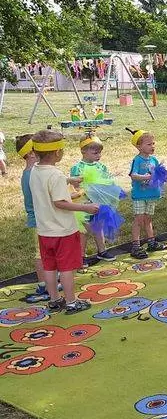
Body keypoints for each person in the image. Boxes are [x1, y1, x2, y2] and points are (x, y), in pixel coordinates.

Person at [29, 130, 97, 314]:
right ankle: (71, 302)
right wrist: (85, 208)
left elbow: (47, 183)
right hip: (63, 231)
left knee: (50, 267)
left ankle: (54, 300)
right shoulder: (56, 175)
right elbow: (60, 202)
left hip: (45, 231)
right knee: (66, 268)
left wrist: (68, 179)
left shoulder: (34, 170)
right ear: (58, 152)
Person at [70, 134, 115, 265]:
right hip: (83, 204)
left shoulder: (101, 166)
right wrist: (85, 188)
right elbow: (75, 185)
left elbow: (107, 180)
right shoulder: (78, 167)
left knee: (98, 227)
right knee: (83, 231)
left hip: (98, 203)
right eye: (95, 153)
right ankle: (81, 256)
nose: (98, 155)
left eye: (100, 152)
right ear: (83, 151)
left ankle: (102, 251)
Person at [17, 134, 50, 303]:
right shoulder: (30, 174)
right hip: (38, 219)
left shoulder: (33, 172)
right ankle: (43, 285)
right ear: (30, 153)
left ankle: (49, 280)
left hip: (42, 217)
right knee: (40, 253)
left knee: (46, 251)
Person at [128, 128, 167, 259]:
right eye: (149, 144)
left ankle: (151, 242)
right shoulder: (137, 160)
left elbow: (160, 175)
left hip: (152, 194)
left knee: (148, 219)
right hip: (140, 195)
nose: (152, 146)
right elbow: (133, 175)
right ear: (139, 147)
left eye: (153, 143)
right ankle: (136, 246)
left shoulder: (154, 160)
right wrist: (146, 177)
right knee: (139, 219)